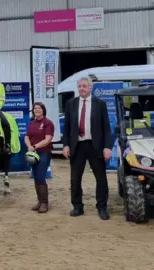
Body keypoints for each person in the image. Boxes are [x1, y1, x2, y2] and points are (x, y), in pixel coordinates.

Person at [63, 76, 112, 220]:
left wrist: (107, 147)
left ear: (91, 88)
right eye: (79, 86)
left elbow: (106, 128)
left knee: (101, 178)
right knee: (75, 179)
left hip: (95, 146)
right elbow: (66, 127)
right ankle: (77, 206)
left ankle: (102, 207)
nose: (81, 88)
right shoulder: (71, 104)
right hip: (77, 146)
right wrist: (66, 144)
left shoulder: (100, 104)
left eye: (84, 86)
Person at [25, 102, 54, 213]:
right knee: (36, 177)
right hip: (33, 153)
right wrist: (29, 147)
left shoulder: (48, 123)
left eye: (39, 108)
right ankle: (39, 201)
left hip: (44, 153)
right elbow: (27, 137)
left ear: (43, 110)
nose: (37, 110)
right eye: (35, 108)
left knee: (41, 177)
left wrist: (35, 146)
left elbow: (47, 140)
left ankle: (44, 204)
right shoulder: (31, 123)